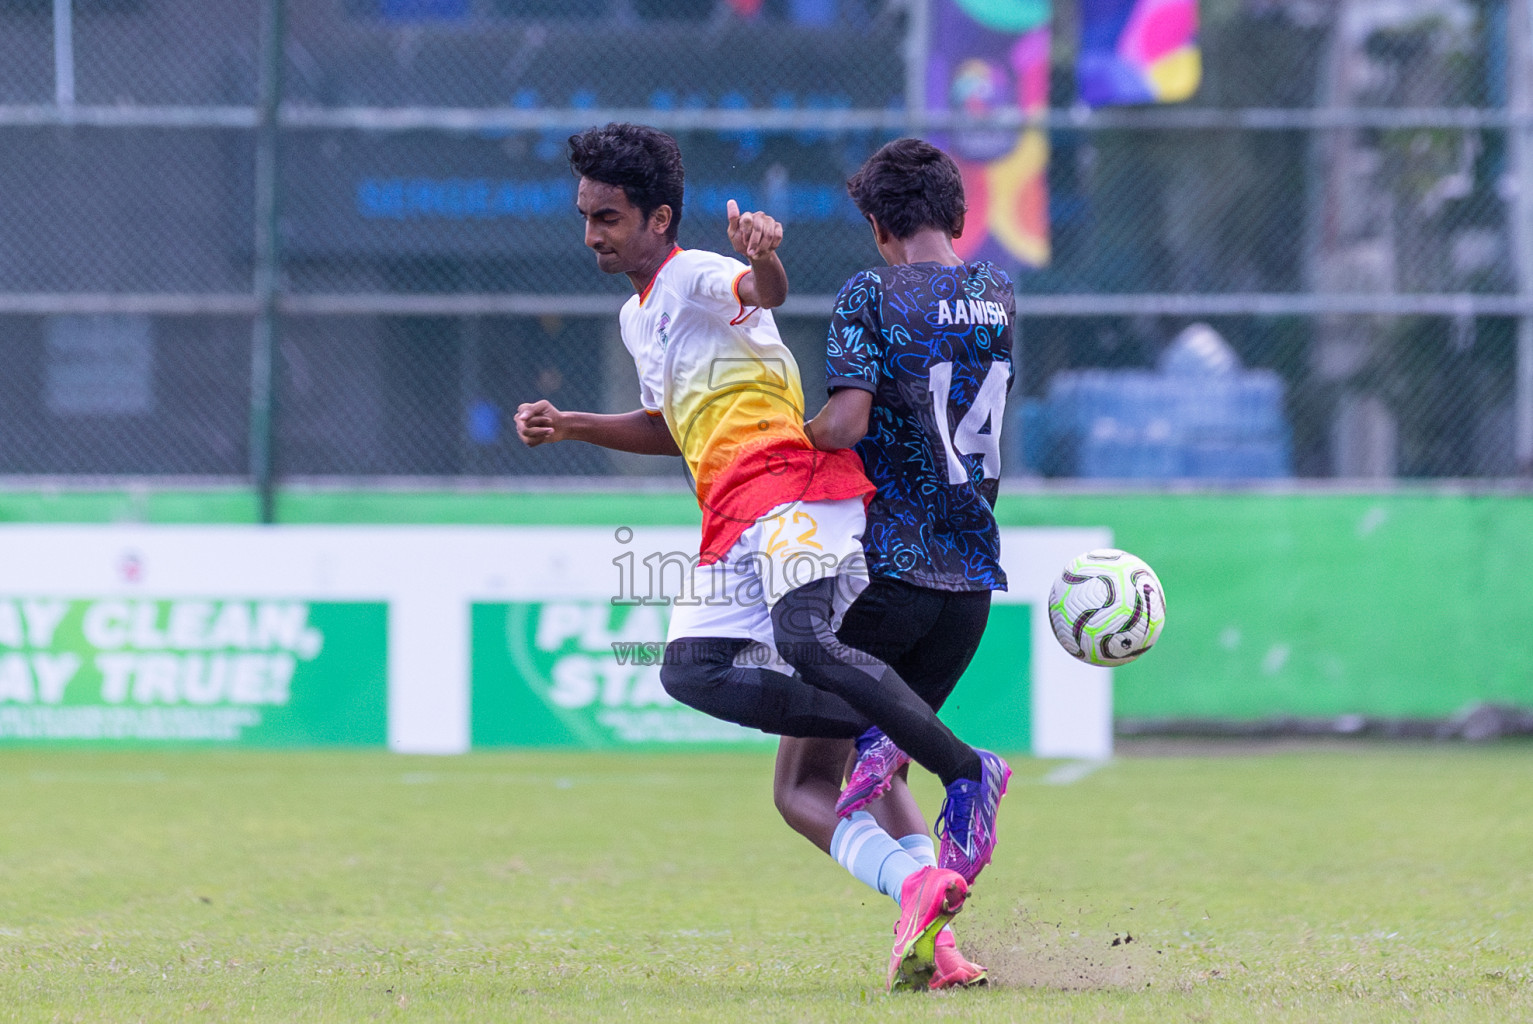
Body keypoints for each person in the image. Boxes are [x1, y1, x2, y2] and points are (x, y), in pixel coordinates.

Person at [514, 123, 1008, 990]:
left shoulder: (700, 273)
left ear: (659, 217)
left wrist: (766, 255)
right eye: (585, 217)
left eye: (608, 217)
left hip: (791, 494)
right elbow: (675, 422)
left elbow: (762, 290)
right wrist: (574, 424)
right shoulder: (639, 316)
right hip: (731, 517)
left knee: (812, 675)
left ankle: (943, 779)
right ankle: (914, 841)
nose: (591, 233)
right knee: (690, 669)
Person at [771, 136, 1018, 992]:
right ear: (959, 216)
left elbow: (843, 423)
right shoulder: (997, 293)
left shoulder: (870, 291)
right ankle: (935, 944)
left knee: (804, 782)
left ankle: (915, 878)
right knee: (883, 762)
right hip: (970, 587)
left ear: (877, 226)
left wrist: (767, 441)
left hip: (887, 577)